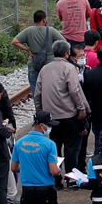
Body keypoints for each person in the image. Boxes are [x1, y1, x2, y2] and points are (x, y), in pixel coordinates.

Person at [36, 40, 91, 179]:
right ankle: (71, 178)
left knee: (54, 148)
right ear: (66, 54)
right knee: (70, 148)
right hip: (68, 115)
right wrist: (81, 108)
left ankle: (56, 178)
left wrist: (40, 112)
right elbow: (74, 90)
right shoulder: (69, 68)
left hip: (51, 117)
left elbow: (37, 93)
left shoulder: (44, 69)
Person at [14, 11, 56, 104]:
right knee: (50, 93)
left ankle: (39, 114)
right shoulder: (51, 31)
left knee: (36, 94)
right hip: (49, 66)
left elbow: (15, 41)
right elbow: (63, 43)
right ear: (44, 20)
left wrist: (27, 49)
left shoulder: (28, 30)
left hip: (34, 65)